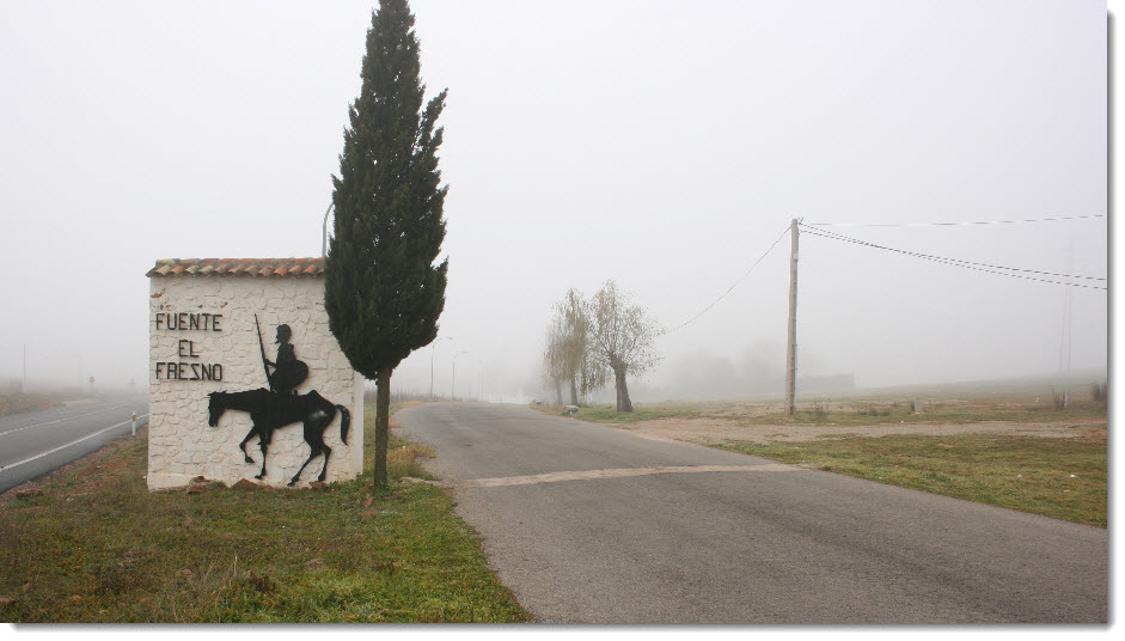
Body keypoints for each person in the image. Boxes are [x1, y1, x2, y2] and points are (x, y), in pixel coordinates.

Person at [266, 324, 308, 395]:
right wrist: (270, 363)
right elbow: (282, 365)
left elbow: (284, 366)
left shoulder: (285, 348)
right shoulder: (284, 348)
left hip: (286, 379)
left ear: (283, 335)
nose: (277, 336)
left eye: (278, 334)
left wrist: (270, 363)